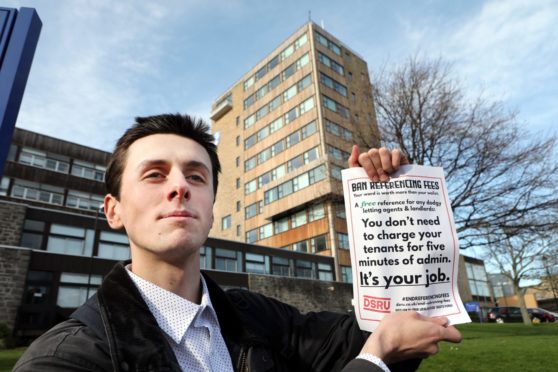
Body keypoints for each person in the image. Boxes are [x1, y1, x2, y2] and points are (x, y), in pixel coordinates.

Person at [14, 114, 461, 372]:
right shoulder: (63, 361)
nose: (179, 188)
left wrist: (395, 208)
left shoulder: (255, 315)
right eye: (154, 174)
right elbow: (373, 348)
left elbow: (364, 331)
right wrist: (373, 363)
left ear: (211, 208)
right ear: (113, 211)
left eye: (196, 176)